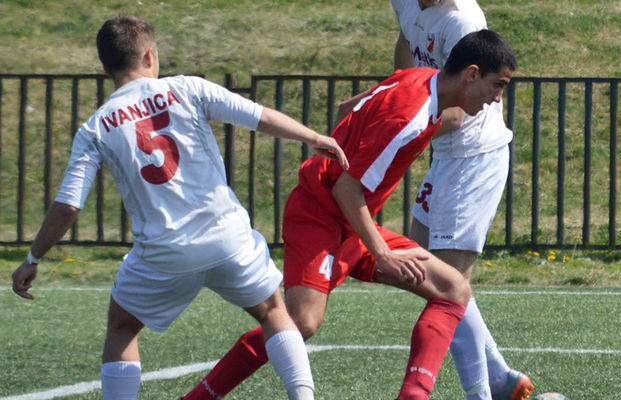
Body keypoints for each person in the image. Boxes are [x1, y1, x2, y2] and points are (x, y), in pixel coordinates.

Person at [9, 15, 350, 400]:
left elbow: (68, 207)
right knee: (273, 311)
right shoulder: (187, 88)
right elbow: (259, 117)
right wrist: (313, 136)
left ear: (106, 68)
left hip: (164, 253)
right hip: (227, 238)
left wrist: (33, 258)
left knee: (122, 327)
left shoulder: (97, 126)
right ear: (149, 56)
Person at [181, 29, 517, 400]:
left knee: (453, 288)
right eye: (497, 86)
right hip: (319, 215)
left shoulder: (419, 80)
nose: (497, 98)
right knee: (300, 323)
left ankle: (415, 395)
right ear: (471, 74)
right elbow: (345, 188)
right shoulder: (410, 115)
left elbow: (348, 109)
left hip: (353, 223)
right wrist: (382, 253)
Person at [393, 1, 532, 399]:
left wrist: (393, 125)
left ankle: (483, 392)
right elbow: (407, 38)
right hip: (446, 154)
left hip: (473, 155)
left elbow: (457, 113)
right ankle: (499, 376)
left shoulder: (463, 20)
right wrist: (402, 90)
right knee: (422, 263)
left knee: (446, 284)